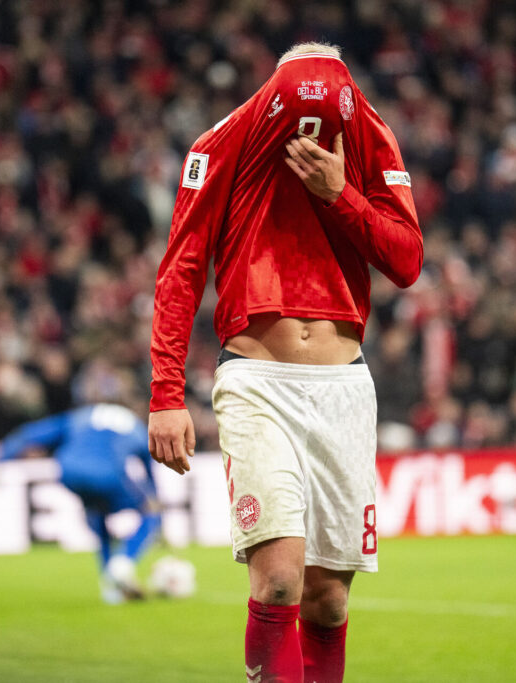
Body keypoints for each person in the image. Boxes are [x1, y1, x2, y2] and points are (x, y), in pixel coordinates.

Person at [148, 43, 422, 683]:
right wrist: (166, 393)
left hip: (344, 389)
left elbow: (407, 260)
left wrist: (340, 194)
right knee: (278, 585)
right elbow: (181, 271)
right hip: (258, 383)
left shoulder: (372, 139)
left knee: (329, 601)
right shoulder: (220, 144)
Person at [0, 403, 162, 604]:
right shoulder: (136, 427)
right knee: (152, 512)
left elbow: (30, 434)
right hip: (108, 474)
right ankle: (123, 563)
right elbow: (150, 467)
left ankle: (111, 587)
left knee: (98, 513)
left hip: (68, 472)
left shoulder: (80, 416)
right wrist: (154, 498)